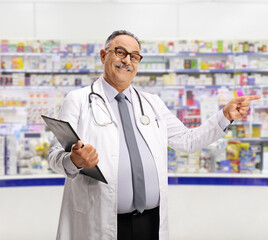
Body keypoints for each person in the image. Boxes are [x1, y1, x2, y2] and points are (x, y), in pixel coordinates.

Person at [48, 30, 260, 240]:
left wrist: (224, 116)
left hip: (149, 222)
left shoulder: (152, 103)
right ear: (104, 56)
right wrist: (74, 160)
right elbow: (55, 155)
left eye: (134, 56)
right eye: (120, 52)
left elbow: (187, 141)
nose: (127, 61)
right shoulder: (78, 100)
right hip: (101, 221)